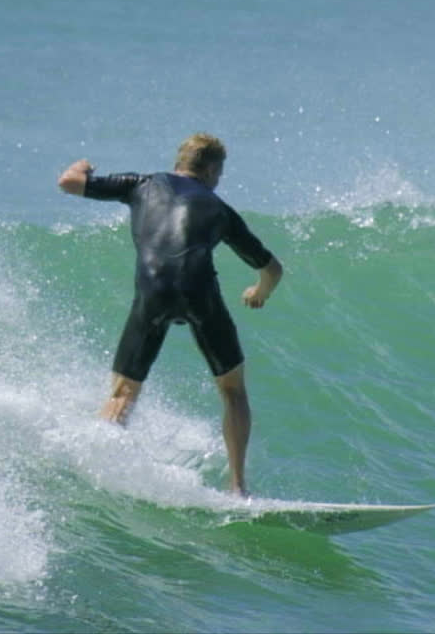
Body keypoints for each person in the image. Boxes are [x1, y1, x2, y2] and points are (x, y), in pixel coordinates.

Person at [57, 133, 283, 497]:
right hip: (199, 294)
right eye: (219, 173)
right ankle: (238, 487)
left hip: (153, 293)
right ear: (210, 169)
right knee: (233, 391)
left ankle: (95, 466)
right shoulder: (219, 209)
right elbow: (273, 269)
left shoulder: (140, 185)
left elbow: (68, 181)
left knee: (124, 392)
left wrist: (83, 165)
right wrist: (259, 293)